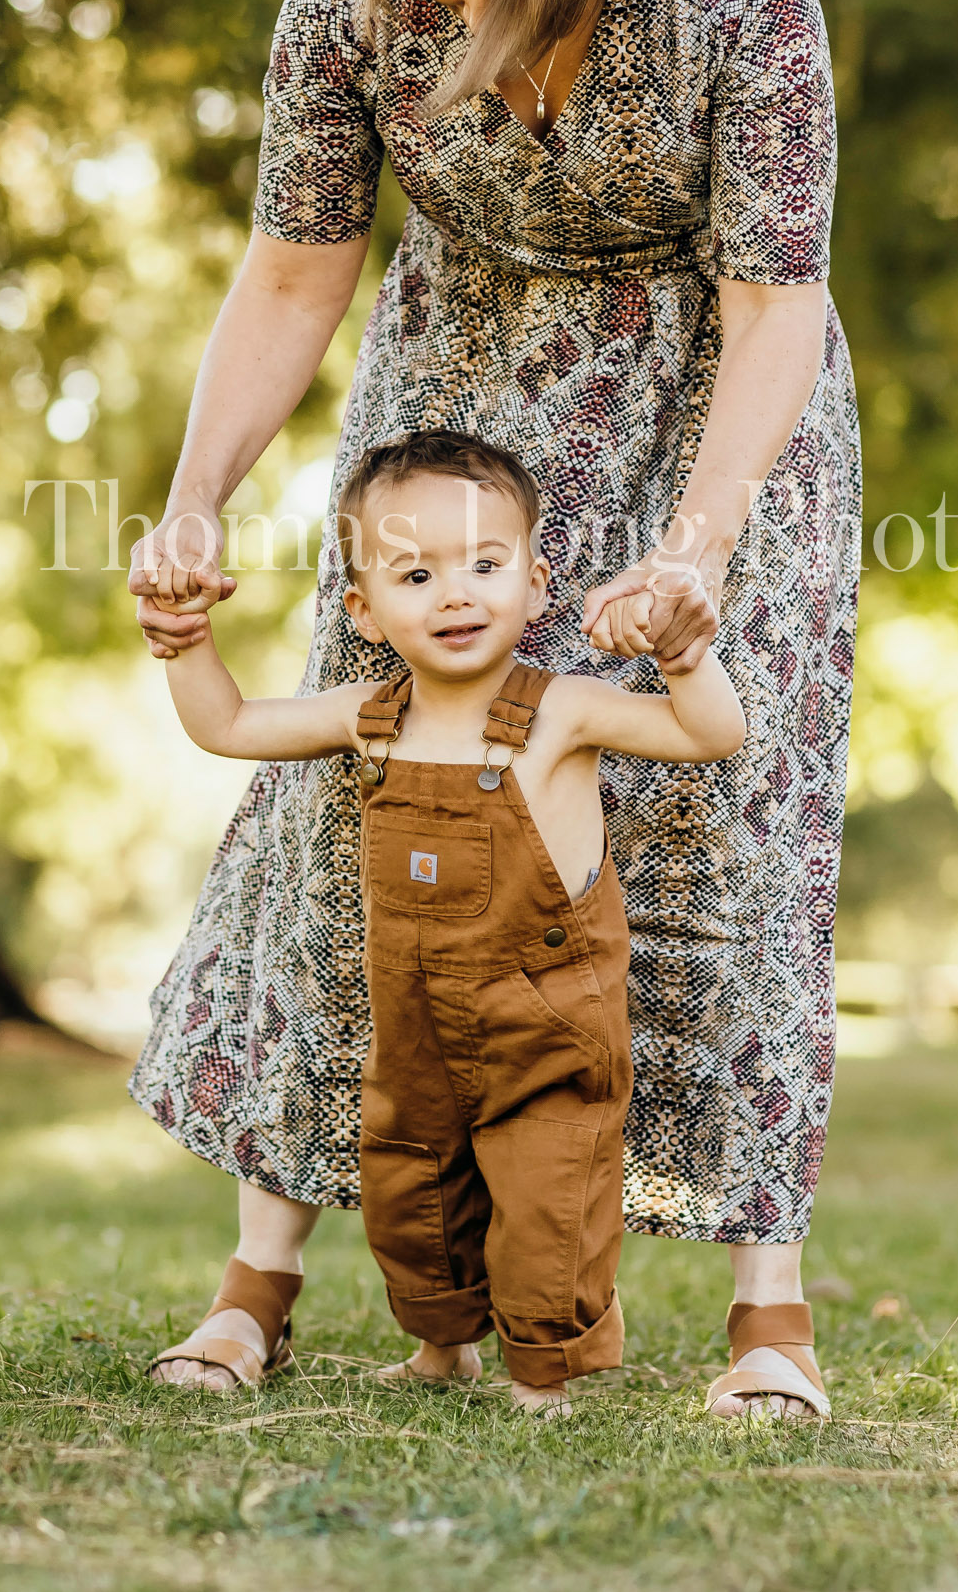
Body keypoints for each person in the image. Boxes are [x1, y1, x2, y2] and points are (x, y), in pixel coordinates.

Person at [130, 0, 859, 1424]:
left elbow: (776, 301)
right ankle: (262, 1279)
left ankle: (768, 1312)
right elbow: (299, 268)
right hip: (449, 409)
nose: (447, 13)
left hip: (713, 411)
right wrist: (193, 497)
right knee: (368, 795)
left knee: (723, 811)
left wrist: (694, 552)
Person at [150, 430, 746, 1416]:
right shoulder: (369, 714)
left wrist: (684, 655)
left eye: (485, 563)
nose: (456, 592)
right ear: (365, 609)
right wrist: (186, 640)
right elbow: (228, 726)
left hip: (546, 1023)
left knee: (549, 1202)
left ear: (537, 581)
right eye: (416, 572)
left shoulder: (562, 712)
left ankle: (542, 1376)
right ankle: (441, 1346)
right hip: (417, 1025)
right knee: (412, 1192)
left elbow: (708, 732)